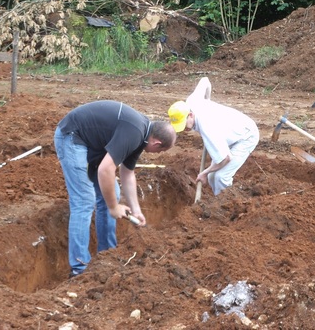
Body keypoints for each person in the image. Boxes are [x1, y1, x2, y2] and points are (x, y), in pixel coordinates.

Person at [54, 100, 176, 277]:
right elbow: (106, 169)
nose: (158, 155)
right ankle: (79, 268)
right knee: (84, 201)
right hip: (72, 136)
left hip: (89, 142)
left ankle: (107, 255)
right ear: (156, 143)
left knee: (113, 193)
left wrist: (136, 210)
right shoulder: (134, 132)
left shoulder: (141, 135)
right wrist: (113, 207)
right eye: (161, 151)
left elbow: (127, 174)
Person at [168, 77, 259, 195]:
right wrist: (208, 100)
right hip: (231, 132)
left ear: (190, 115)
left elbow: (226, 158)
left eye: (184, 124)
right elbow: (205, 81)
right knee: (212, 177)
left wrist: (204, 173)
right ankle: (217, 200)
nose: (184, 129)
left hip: (246, 136)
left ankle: (225, 206)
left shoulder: (207, 127)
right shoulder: (191, 101)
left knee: (221, 177)